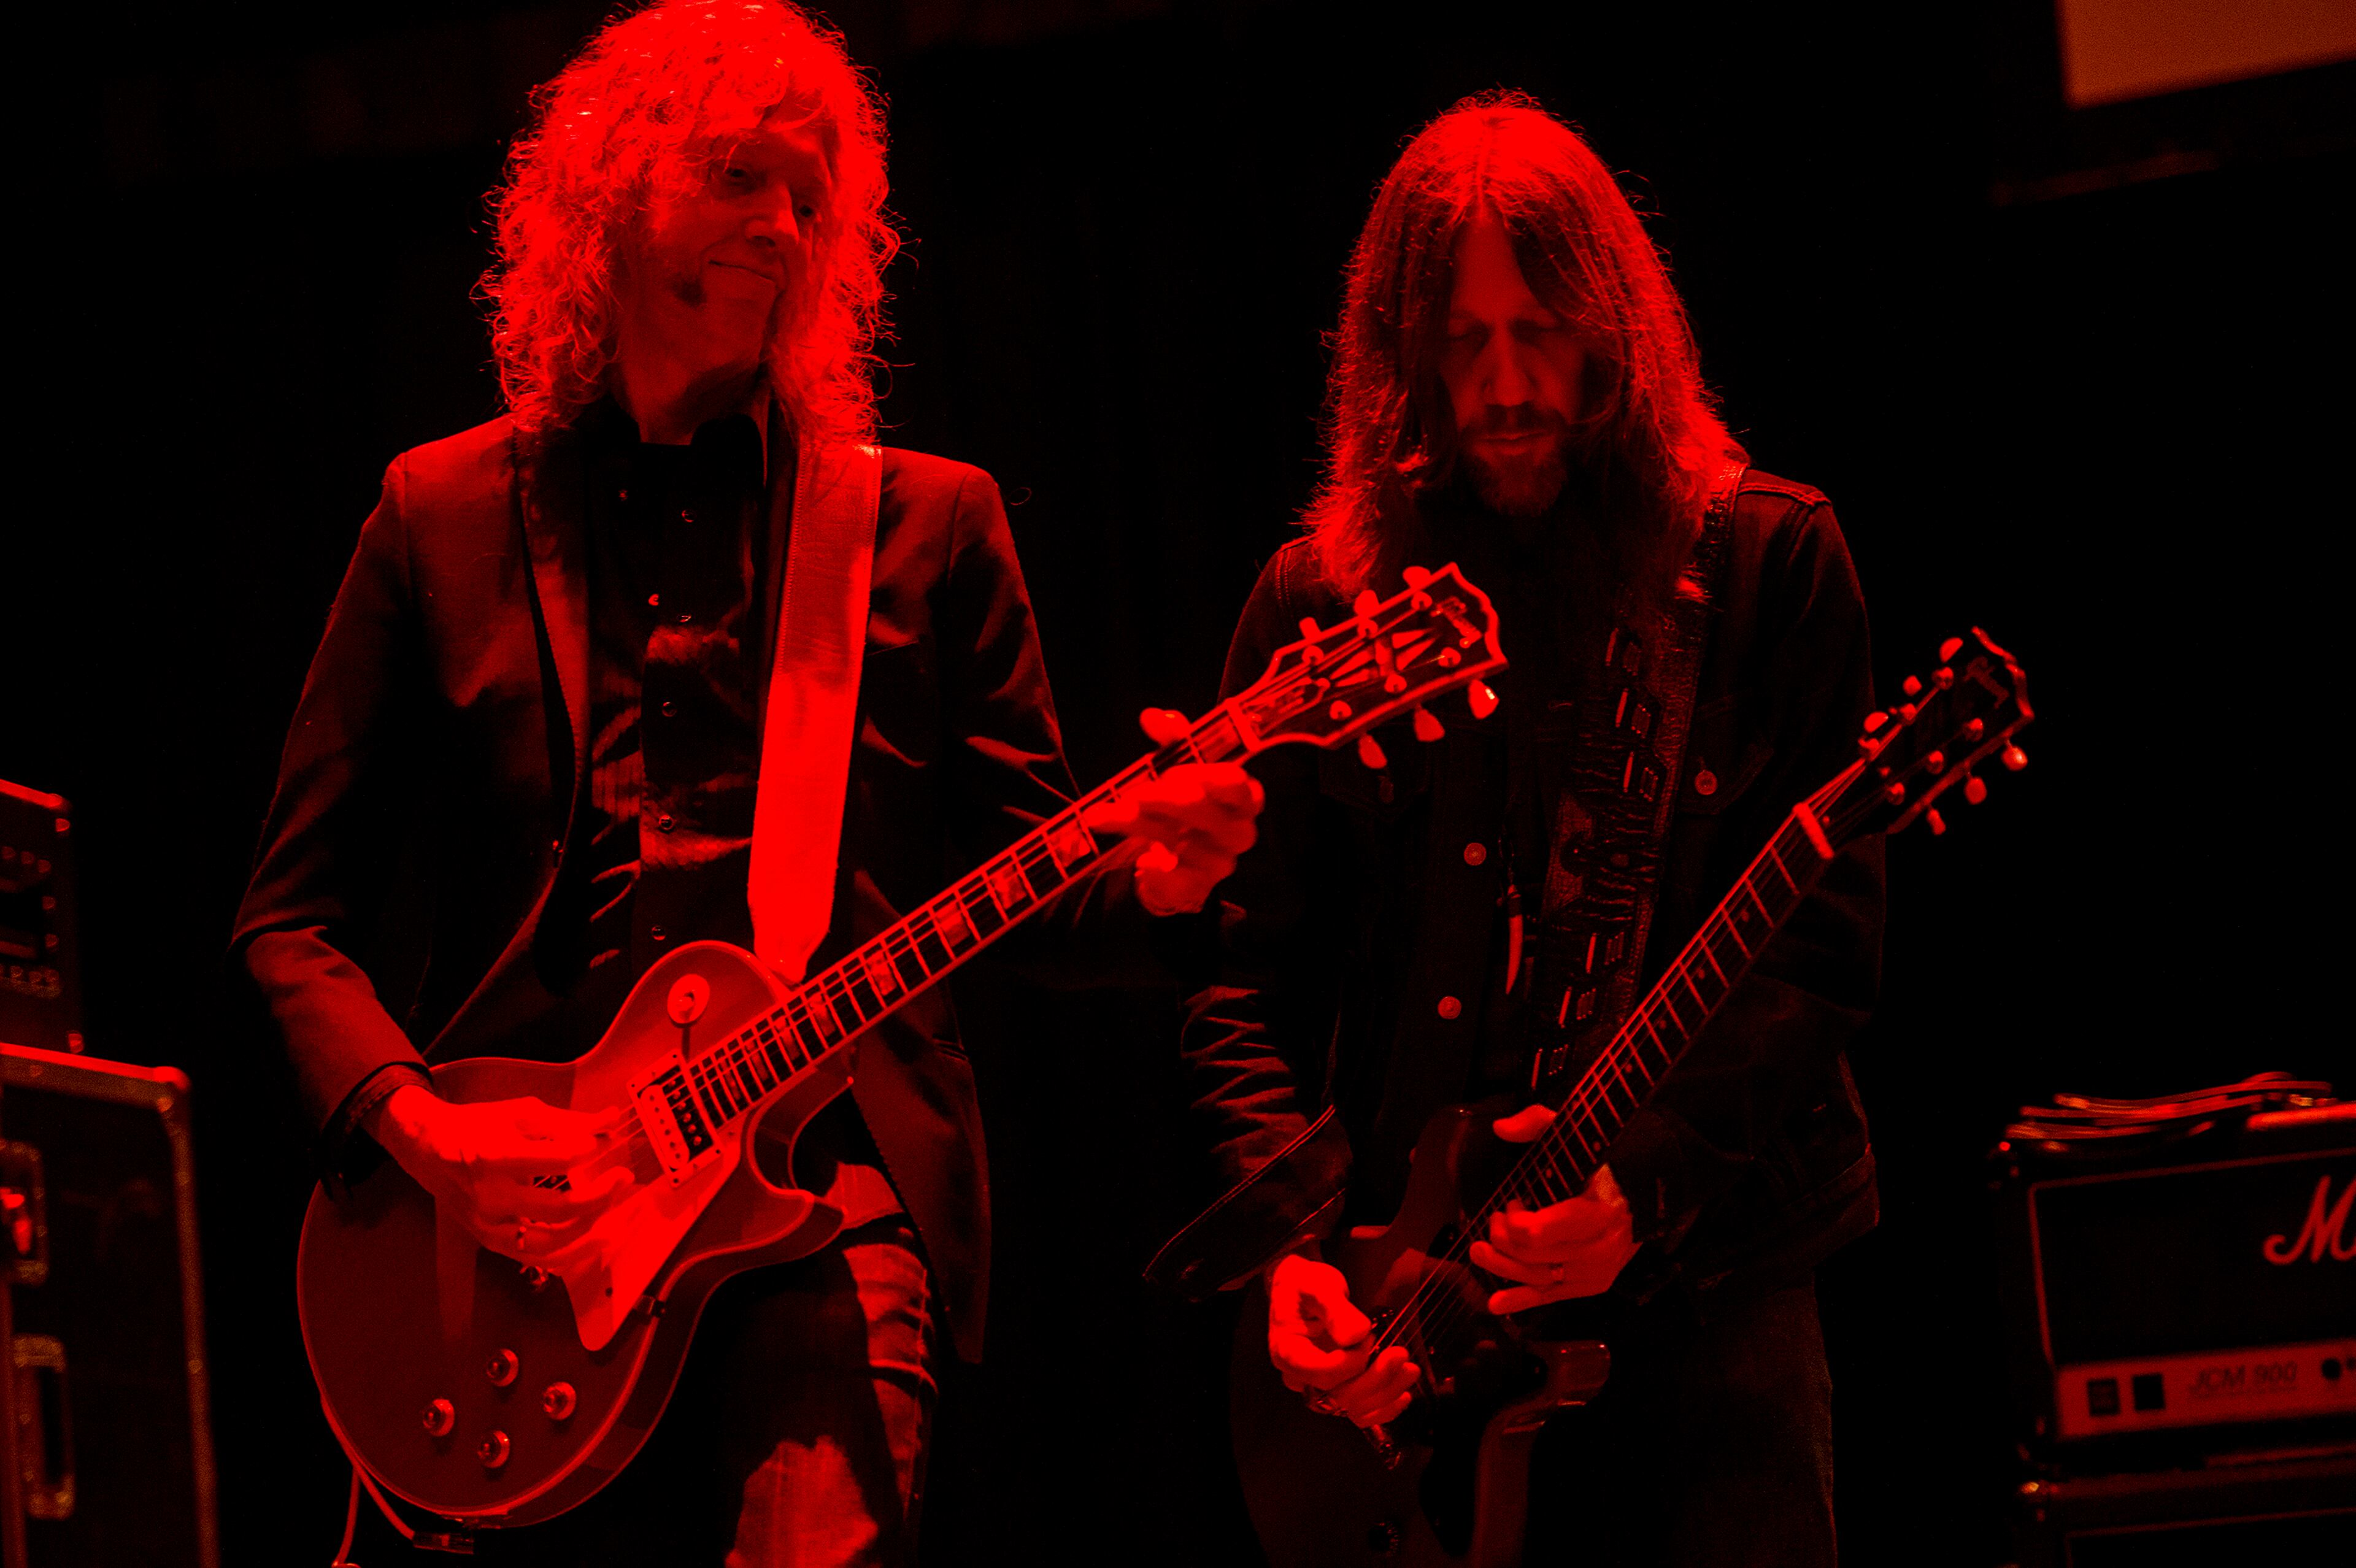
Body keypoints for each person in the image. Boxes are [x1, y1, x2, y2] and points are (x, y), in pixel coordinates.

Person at [232, 5, 1257, 1564]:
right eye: (736, 178)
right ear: (610, 200)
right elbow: (290, 923)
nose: (781, 225)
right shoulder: (439, 516)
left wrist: (1169, 876)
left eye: (808, 194)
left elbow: (1042, 891)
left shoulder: (922, 529)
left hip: (817, 1207)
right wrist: (428, 1133)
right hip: (516, 1237)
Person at [1145, 94, 1883, 1566]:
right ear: (1397, 361)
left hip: (1713, 1285)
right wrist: (1296, 1244)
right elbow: (1243, 978)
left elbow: (1815, 958)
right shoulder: (1317, 609)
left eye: (1541, 329)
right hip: (1406, 1329)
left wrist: (1645, 1176)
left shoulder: (1764, 564)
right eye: (1461, 342)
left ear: (1618, 326)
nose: (1504, 385)